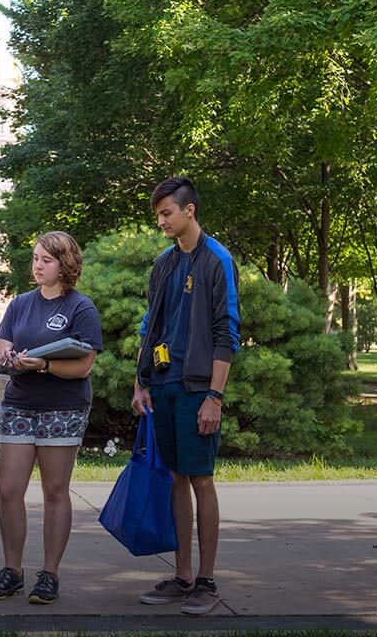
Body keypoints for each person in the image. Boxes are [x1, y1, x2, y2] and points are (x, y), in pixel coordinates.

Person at [131, 176, 239, 616]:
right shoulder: (163, 264)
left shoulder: (218, 260)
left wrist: (214, 396)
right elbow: (148, 326)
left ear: (189, 210)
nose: (161, 221)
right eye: (158, 215)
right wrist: (140, 382)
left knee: (200, 478)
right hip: (163, 385)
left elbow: (226, 333)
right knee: (175, 477)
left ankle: (207, 581)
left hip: (198, 388)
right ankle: (182, 577)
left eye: (166, 213)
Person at [0, 231, 103, 605]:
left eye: (45, 260)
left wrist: (46, 364)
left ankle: (49, 574)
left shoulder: (81, 307)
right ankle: (12, 571)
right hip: (19, 402)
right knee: (9, 490)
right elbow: (3, 345)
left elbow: (83, 366)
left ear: (65, 264)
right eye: (34, 258)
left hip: (62, 407)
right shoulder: (19, 304)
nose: (36, 266)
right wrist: (6, 357)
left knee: (54, 491)